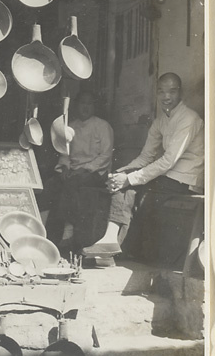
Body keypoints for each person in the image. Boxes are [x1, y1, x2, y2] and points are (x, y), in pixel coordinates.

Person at [82, 72, 204, 262]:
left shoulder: (188, 118)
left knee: (130, 187)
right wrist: (121, 173)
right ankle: (110, 244)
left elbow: (168, 161)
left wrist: (129, 179)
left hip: (185, 179)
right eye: (162, 92)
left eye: (172, 91)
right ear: (157, 93)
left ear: (180, 93)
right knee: (123, 183)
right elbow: (146, 156)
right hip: (167, 176)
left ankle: (111, 243)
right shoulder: (161, 121)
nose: (167, 97)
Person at [38, 90, 114, 248]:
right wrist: (65, 167)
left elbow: (105, 156)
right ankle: (43, 230)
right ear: (77, 105)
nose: (85, 107)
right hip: (73, 171)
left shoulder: (102, 126)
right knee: (52, 183)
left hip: (96, 172)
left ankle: (67, 230)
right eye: (82, 103)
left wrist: (85, 169)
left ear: (94, 106)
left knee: (73, 183)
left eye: (89, 103)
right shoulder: (71, 127)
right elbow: (65, 153)